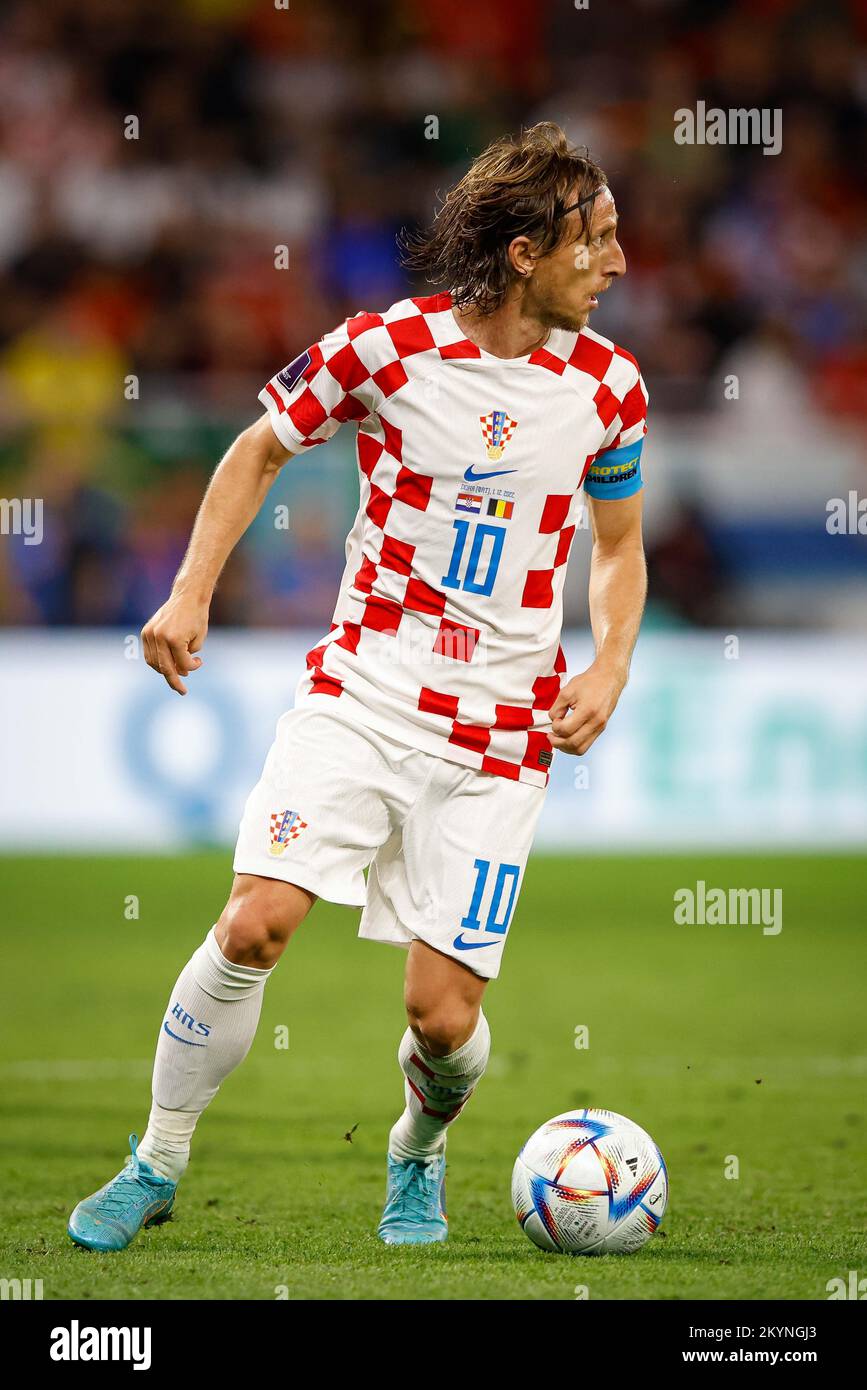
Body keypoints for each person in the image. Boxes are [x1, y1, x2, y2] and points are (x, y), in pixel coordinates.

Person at [68, 122, 648, 1251]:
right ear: (526, 252)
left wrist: (612, 659)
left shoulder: (608, 388)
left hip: (500, 735)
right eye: (601, 240)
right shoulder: (385, 351)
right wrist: (190, 593)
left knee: (442, 1018)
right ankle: (158, 1158)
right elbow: (256, 450)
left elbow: (617, 547)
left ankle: (416, 1152)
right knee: (254, 924)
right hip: (363, 695)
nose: (619, 264)